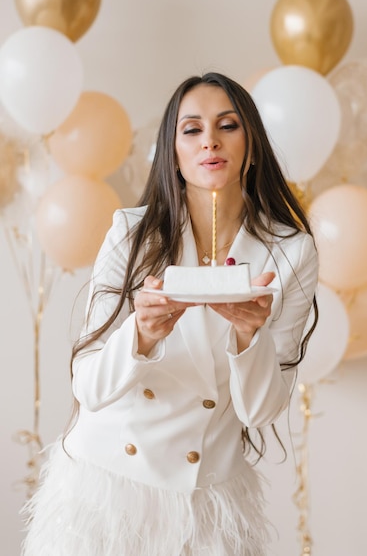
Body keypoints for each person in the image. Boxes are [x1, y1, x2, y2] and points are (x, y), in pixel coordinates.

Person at [22, 72, 318, 556]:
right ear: (173, 152)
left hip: (207, 498)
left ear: (254, 146)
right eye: (192, 130)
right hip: (107, 491)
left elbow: (261, 410)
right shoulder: (132, 233)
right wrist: (140, 334)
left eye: (228, 125)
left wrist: (248, 338)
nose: (211, 142)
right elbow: (89, 386)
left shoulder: (290, 252)